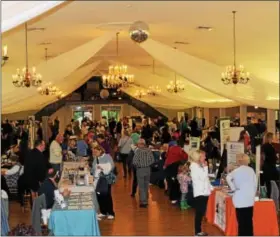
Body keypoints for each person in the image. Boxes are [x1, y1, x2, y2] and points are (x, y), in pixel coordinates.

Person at [226, 154, 257, 236]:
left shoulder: (236, 171)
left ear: (238, 161)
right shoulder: (251, 170)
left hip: (239, 199)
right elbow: (255, 184)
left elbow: (228, 178)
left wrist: (233, 188)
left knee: (241, 222)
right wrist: (252, 193)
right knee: (249, 221)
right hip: (249, 199)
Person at [190, 150, 212, 236]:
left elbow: (206, 179)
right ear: (198, 157)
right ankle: (197, 232)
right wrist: (206, 167)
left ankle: (198, 231)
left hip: (204, 192)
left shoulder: (199, 165)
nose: (205, 158)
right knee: (199, 212)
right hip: (200, 193)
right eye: (203, 156)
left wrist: (211, 188)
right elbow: (203, 178)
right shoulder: (194, 166)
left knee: (201, 212)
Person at [91, 145, 115, 220]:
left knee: (107, 195)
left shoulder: (107, 156)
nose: (95, 153)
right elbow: (93, 168)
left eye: (96, 151)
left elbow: (112, 166)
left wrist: (102, 167)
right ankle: (103, 212)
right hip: (98, 180)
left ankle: (111, 212)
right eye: (94, 152)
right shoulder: (96, 158)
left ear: (100, 150)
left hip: (106, 179)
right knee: (99, 195)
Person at [132, 139, 154, 208]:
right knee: (146, 185)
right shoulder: (149, 150)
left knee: (141, 186)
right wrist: (147, 164)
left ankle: (143, 202)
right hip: (148, 169)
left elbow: (134, 162)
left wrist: (139, 165)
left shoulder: (138, 151)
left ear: (140, 144)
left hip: (140, 170)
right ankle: (146, 200)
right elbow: (152, 160)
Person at [261, 132, 278, 198]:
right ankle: (270, 197)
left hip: (265, 167)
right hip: (270, 167)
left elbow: (263, 157)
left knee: (267, 183)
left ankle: (267, 197)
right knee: (270, 184)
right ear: (269, 138)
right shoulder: (270, 146)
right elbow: (273, 157)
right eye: (272, 137)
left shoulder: (264, 146)